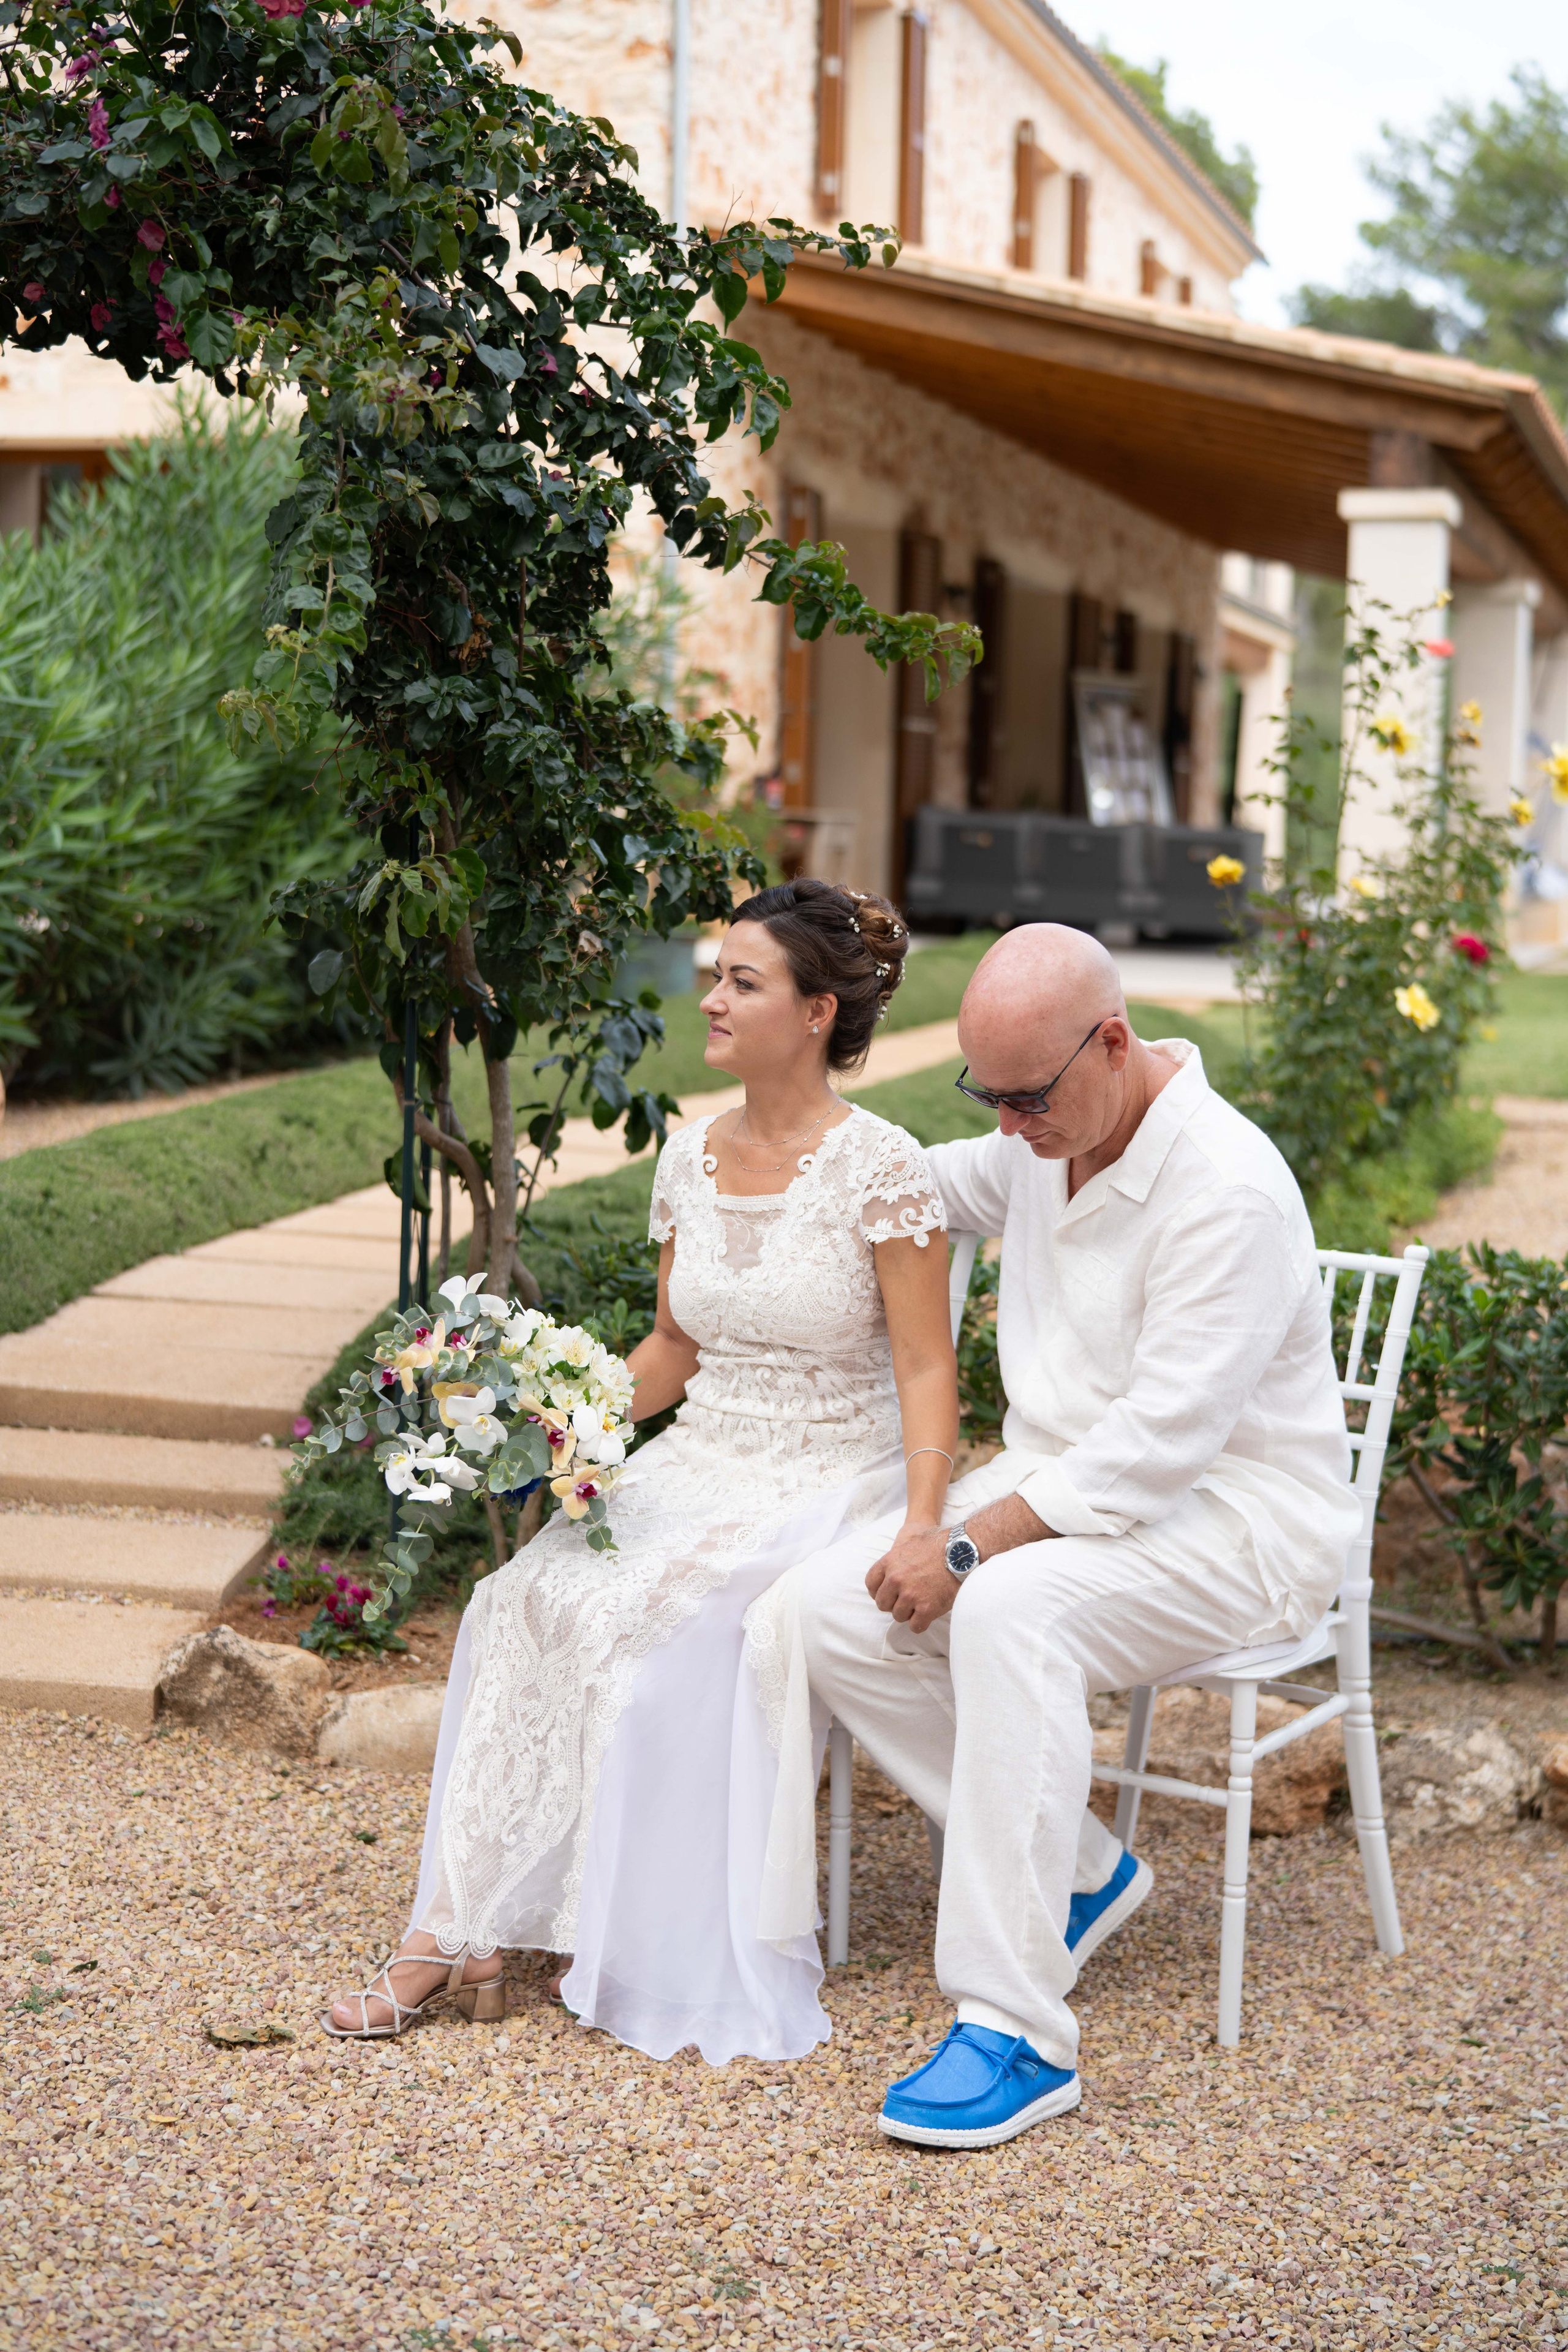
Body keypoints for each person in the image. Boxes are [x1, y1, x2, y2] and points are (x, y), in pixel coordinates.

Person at [325, 878, 960, 2063]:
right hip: (707, 1448)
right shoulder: (690, 1155)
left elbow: (928, 1371)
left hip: (833, 1471)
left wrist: (924, 1525)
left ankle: (634, 1938)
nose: (710, 997)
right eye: (716, 976)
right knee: (518, 1601)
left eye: (741, 981)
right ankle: (452, 1930)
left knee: (650, 1640)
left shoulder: (884, 1168)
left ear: (817, 1012)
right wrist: (549, 1428)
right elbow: (673, 1346)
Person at [775, 923, 1362, 2147]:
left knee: (1000, 1605)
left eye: (1023, 1098)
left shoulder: (1228, 1192)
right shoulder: (1045, 1139)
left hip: (1243, 1522)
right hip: (1078, 1491)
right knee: (818, 1612)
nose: (1004, 1127)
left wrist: (966, 1540)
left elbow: (1153, 1453)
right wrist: (766, 1164)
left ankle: (1015, 2029)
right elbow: (915, 1185)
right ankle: (1083, 1870)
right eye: (981, 1094)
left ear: (1110, 1041)